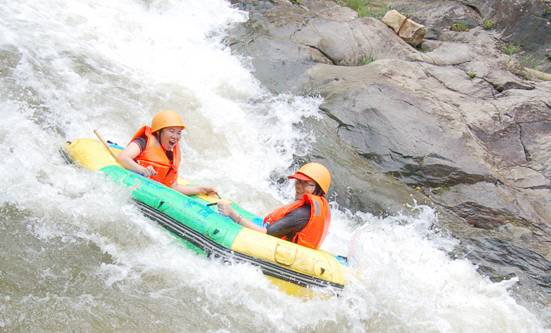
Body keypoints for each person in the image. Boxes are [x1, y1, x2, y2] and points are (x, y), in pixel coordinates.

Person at [217, 162, 331, 250]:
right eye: (298, 182)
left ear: (319, 189)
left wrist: (232, 214)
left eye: (306, 184)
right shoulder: (313, 209)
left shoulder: (302, 214)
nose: (299, 186)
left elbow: (264, 233)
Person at [118, 109, 217, 196]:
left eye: (178, 133)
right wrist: (142, 170)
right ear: (158, 132)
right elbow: (123, 157)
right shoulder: (143, 142)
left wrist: (200, 189)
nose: (175, 136)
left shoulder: (171, 155)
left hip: (152, 193)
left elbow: (173, 187)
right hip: (131, 185)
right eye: (171, 131)